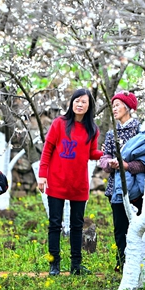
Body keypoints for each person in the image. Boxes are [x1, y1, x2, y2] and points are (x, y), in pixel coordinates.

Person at [38, 88, 103, 276]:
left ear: (89, 105)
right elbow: (48, 149)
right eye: (77, 101)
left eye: (84, 102)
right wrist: (42, 175)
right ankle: (54, 264)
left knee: (77, 225)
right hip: (57, 181)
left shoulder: (93, 129)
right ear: (71, 103)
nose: (80, 104)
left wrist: (106, 154)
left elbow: (92, 153)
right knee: (55, 224)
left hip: (79, 184)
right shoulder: (59, 123)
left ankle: (76, 265)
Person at [99, 91, 145, 273]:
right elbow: (104, 157)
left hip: (139, 188)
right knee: (120, 227)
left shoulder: (141, 131)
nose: (114, 109)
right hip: (116, 188)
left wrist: (126, 165)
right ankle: (123, 262)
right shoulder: (112, 134)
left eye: (117, 105)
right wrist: (109, 164)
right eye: (113, 106)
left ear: (128, 107)